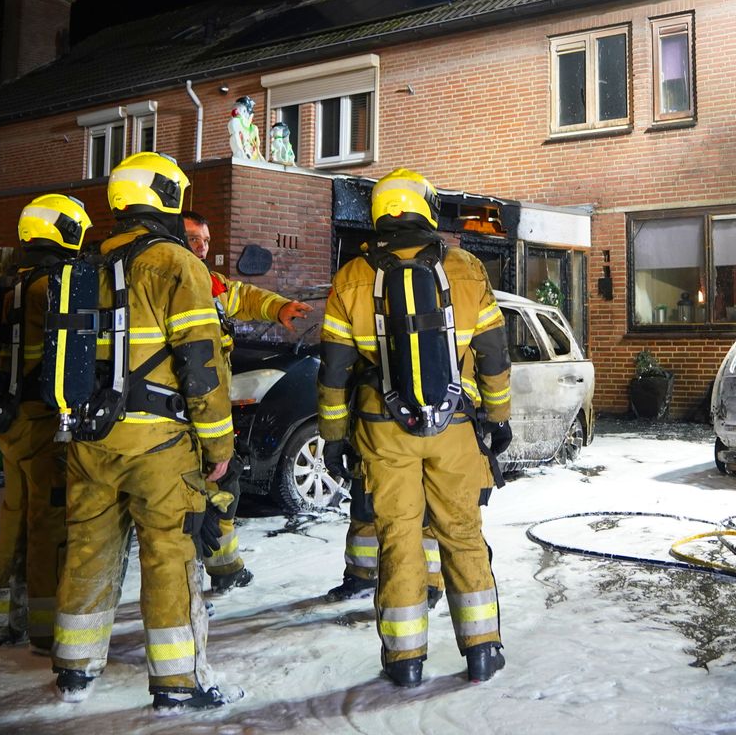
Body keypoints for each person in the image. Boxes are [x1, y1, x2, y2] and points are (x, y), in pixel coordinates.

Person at [51, 152, 240, 712]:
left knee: (86, 551)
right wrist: (219, 445)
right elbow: (200, 363)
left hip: (90, 439)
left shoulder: (84, 263)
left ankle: (74, 671)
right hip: (159, 447)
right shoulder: (175, 264)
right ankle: (178, 683)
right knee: (169, 557)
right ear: (163, 197)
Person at [316, 168, 513, 687]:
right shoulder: (467, 268)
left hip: (383, 430)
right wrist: (497, 418)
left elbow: (334, 368)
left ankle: (405, 662)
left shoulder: (351, 277)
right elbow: (493, 354)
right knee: (463, 535)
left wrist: (334, 437)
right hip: (456, 429)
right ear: (425, 207)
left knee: (398, 539)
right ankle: (483, 650)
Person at [182, 210, 311, 593]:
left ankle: (224, 568)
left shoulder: (209, 282)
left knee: (223, 487)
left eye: (205, 241)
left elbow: (241, 295)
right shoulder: (171, 282)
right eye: (193, 239)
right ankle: (191, 587)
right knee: (198, 496)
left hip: (208, 411)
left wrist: (278, 307)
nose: (201, 248)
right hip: (181, 415)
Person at [0, 194, 92, 652]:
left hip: (10, 420)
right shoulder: (50, 286)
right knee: (50, 521)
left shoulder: (14, 282)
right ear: (65, 232)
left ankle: (4, 617)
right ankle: (46, 629)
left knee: (14, 517)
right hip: (42, 422)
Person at [228, 96, 261, 161]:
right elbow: (237, 145)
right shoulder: (235, 122)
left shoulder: (254, 129)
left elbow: (257, 151)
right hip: (243, 160)